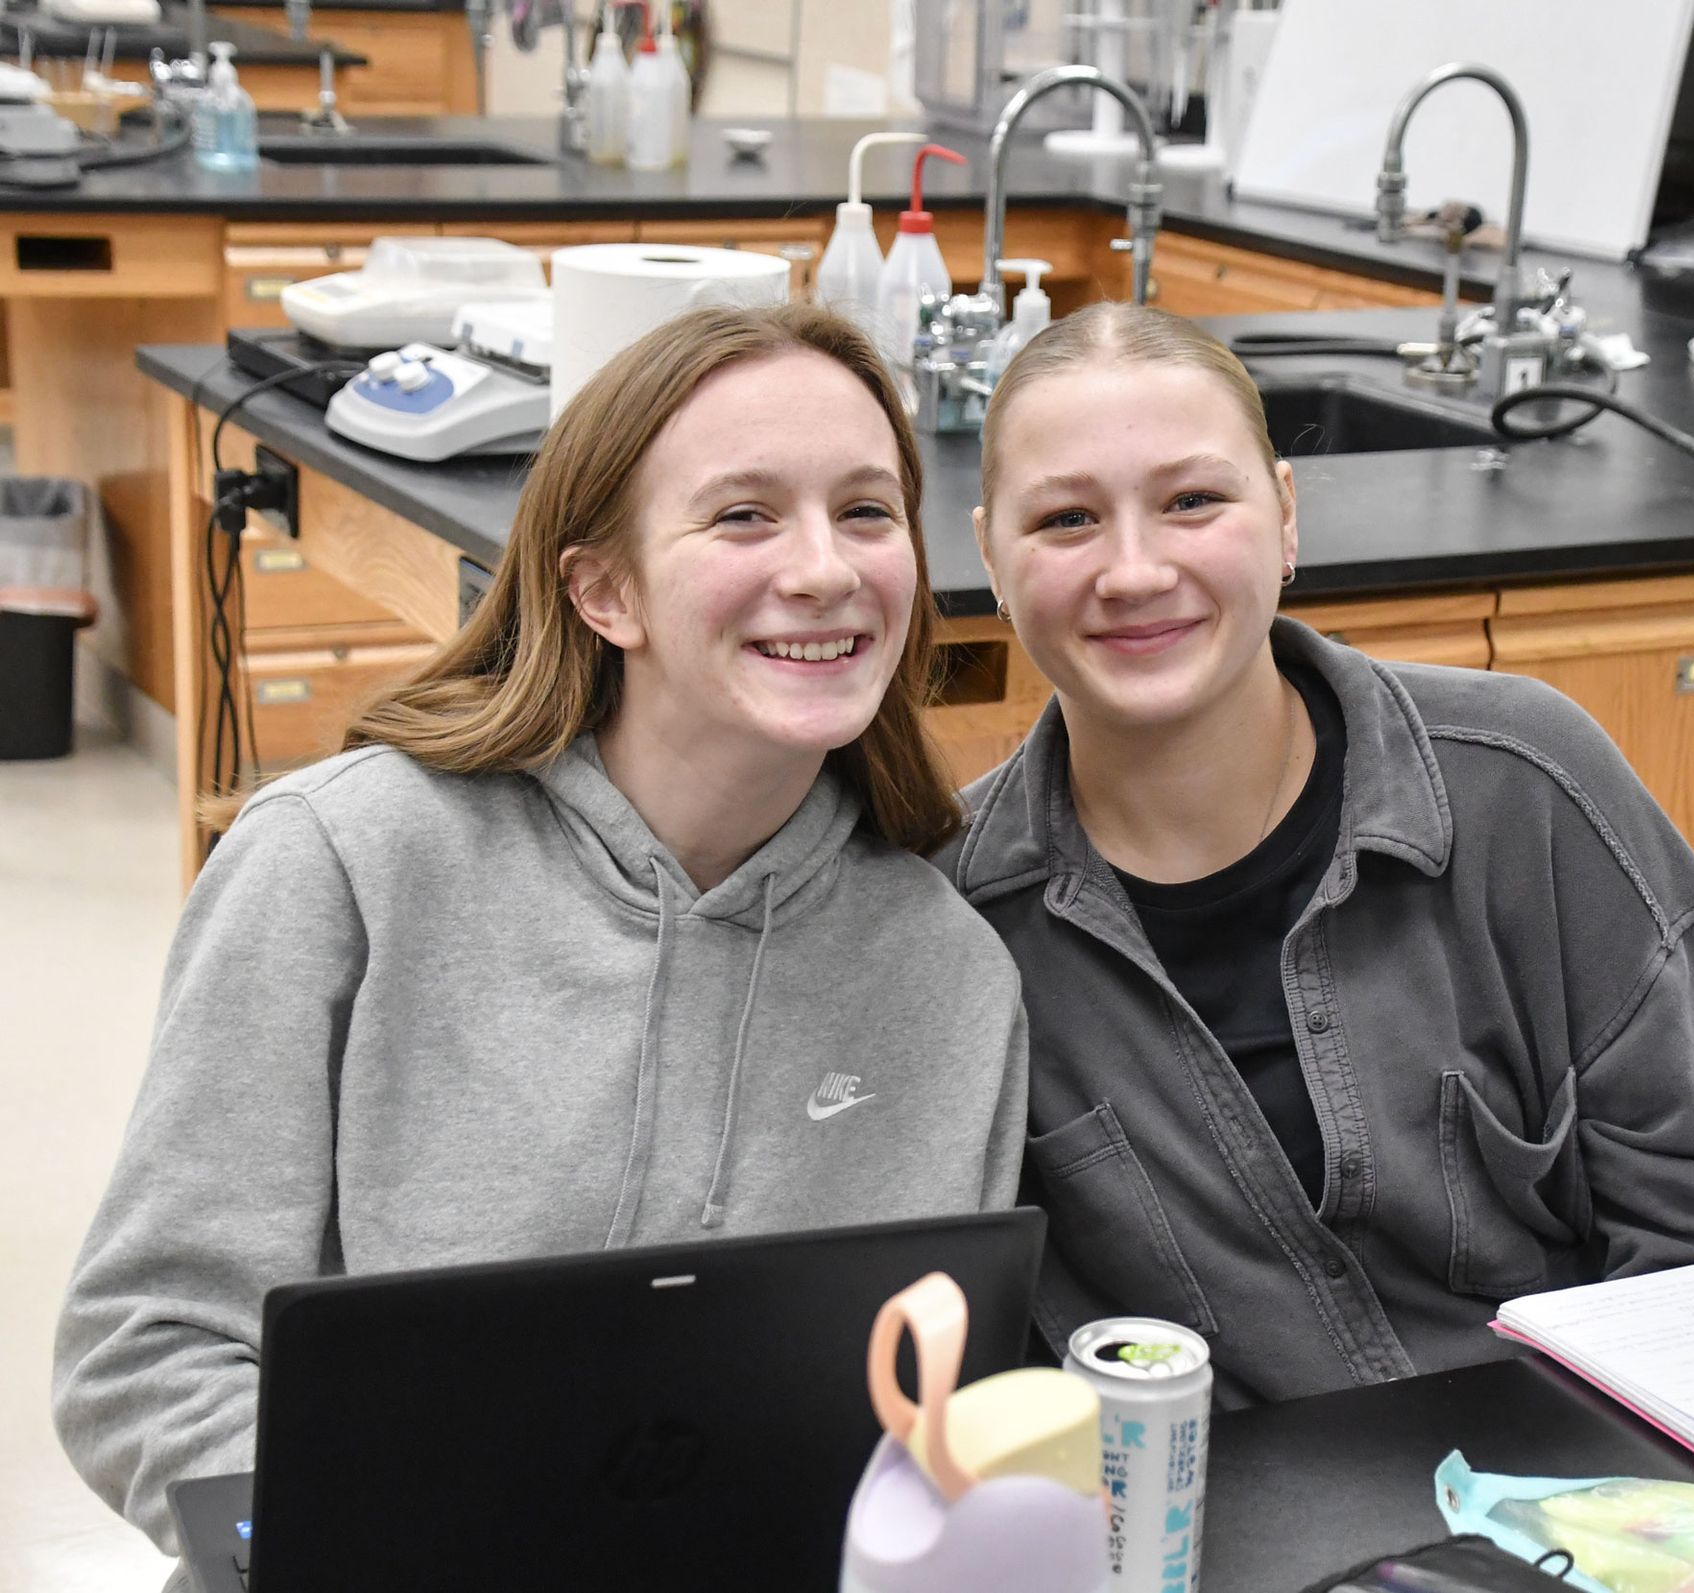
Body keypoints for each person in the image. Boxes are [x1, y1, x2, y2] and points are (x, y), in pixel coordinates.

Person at [55, 303, 1027, 1554]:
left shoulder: (948, 974)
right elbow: (145, 1351)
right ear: (604, 589)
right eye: (743, 514)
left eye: (865, 511)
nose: (826, 570)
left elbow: (934, 1429)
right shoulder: (342, 865)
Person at [940, 302, 1694, 1404]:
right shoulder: (958, 924)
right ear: (991, 554)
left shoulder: (1525, 784)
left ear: (1283, 517)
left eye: (1193, 501)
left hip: (1587, 1506)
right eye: (1068, 520)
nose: (1133, 570)